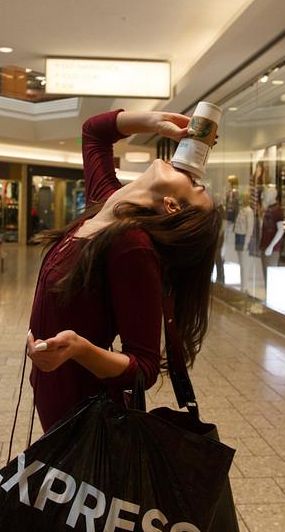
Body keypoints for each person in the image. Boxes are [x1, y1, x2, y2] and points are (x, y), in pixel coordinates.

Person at [26, 109, 221, 431]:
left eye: (196, 186)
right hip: (53, 388)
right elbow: (94, 132)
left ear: (171, 204)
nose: (193, 174)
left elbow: (142, 368)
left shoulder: (132, 245)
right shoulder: (106, 204)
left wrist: (79, 348)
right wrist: (156, 121)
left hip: (86, 409)